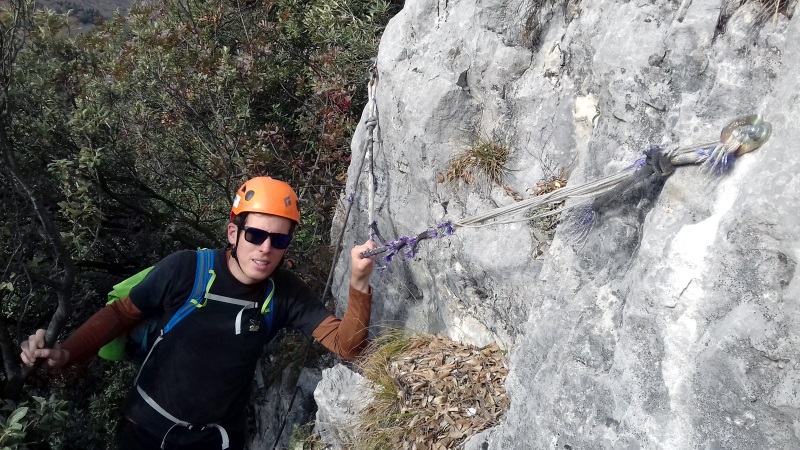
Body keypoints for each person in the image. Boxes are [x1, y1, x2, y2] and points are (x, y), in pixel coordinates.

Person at [20, 176, 376, 450]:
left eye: (279, 240)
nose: (266, 248)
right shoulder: (186, 270)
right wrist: (66, 352)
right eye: (255, 235)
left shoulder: (284, 292)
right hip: (146, 431)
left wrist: (359, 282)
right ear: (233, 233)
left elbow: (347, 347)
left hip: (217, 440)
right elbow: (120, 315)